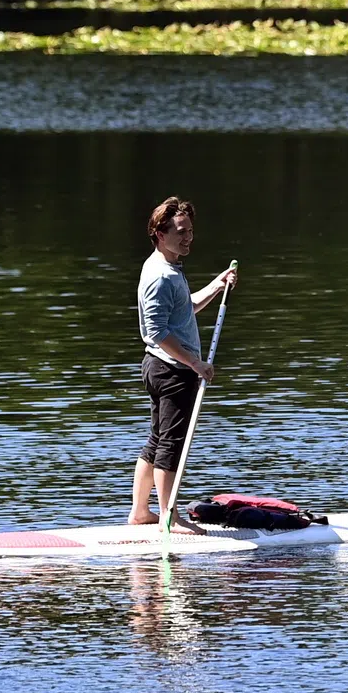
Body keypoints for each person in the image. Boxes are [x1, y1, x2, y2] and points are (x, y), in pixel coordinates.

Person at [130, 196, 237, 525]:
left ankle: (140, 512)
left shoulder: (170, 269)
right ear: (160, 234)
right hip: (171, 370)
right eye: (180, 231)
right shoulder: (160, 276)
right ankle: (169, 516)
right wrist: (195, 363)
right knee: (171, 444)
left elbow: (183, 309)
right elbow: (158, 332)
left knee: (158, 439)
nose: (188, 237)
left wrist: (216, 287)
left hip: (164, 367)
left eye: (190, 230)